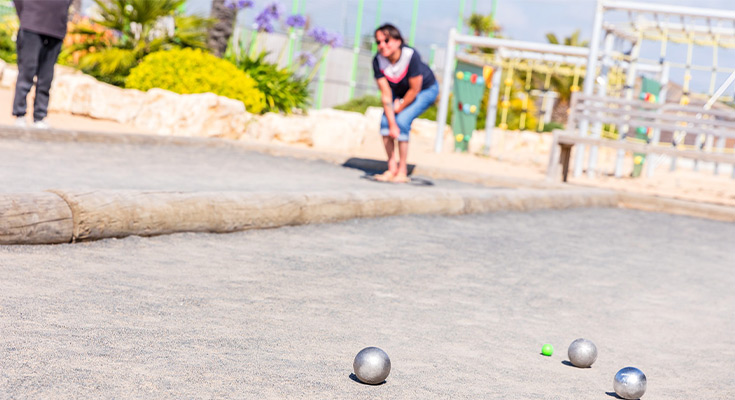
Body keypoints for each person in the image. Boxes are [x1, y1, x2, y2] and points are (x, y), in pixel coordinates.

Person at [372, 23, 438, 183]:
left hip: (425, 90)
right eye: (378, 42)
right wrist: (391, 119)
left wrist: (399, 109)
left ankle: (402, 171)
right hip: (399, 93)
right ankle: (391, 167)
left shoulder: (411, 55)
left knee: (402, 121)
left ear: (398, 40)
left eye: (386, 40)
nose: (382, 45)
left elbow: (415, 90)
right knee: (385, 122)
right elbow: (386, 95)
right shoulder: (377, 61)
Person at [12, 0, 73, 129]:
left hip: (56, 30)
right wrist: (25, 18)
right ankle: (20, 114)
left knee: (46, 77)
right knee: (27, 72)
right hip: (31, 26)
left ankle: (40, 116)